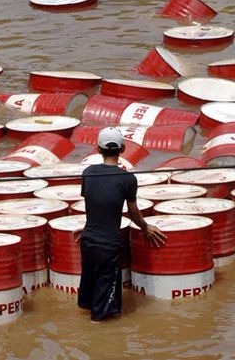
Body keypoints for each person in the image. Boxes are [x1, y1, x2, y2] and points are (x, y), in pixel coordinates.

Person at [77, 127, 166, 322]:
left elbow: (92, 203)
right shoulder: (128, 179)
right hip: (107, 244)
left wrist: (86, 228)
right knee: (101, 313)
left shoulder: (88, 173)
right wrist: (145, 227)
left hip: (88, 240)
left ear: (98, 149)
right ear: (123, 149)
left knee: (91, 290)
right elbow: (132, 211)